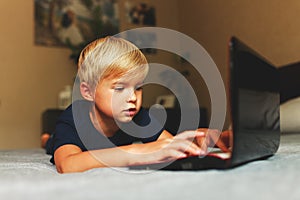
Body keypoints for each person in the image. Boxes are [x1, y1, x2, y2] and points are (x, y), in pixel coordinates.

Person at [42, 36, 231, 173]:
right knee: (52, 142)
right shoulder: (73, 118)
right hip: (66, 139)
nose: (133, 97)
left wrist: (200, 137)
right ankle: (46, 138)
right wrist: (138, 152)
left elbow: (167, 144)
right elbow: (67, 165)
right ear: (88, 92)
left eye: (138, 87)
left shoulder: (138, 115)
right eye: (119, 88)